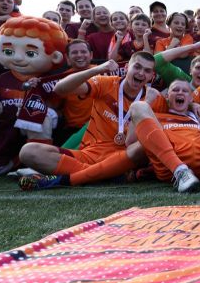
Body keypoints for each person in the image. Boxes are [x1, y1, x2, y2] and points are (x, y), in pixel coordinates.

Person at [17, 52, 164, 189]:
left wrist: (148, 103)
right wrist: (96, 69)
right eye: (137, 67)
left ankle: (89, 175)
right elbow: (60, 89)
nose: (141, 73)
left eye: (147, 70)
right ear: (126, 68)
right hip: (88, 155)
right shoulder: (106, 83)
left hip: (123, 159)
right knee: (28, 152)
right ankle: (102, 175)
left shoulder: (155, 99)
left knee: (144, 145)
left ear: (151, 76)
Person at [0, 17, 69, 178]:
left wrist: (31, 109)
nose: (18, 58)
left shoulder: (54, 78)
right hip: (9, 130)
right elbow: (0, 115)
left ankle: (39, 162)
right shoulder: (3, 79)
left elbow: (59, 112)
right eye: (9, 52)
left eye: (30, 53)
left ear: (55, 56)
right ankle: (15, 162)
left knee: (37, 114)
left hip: (48, 133)